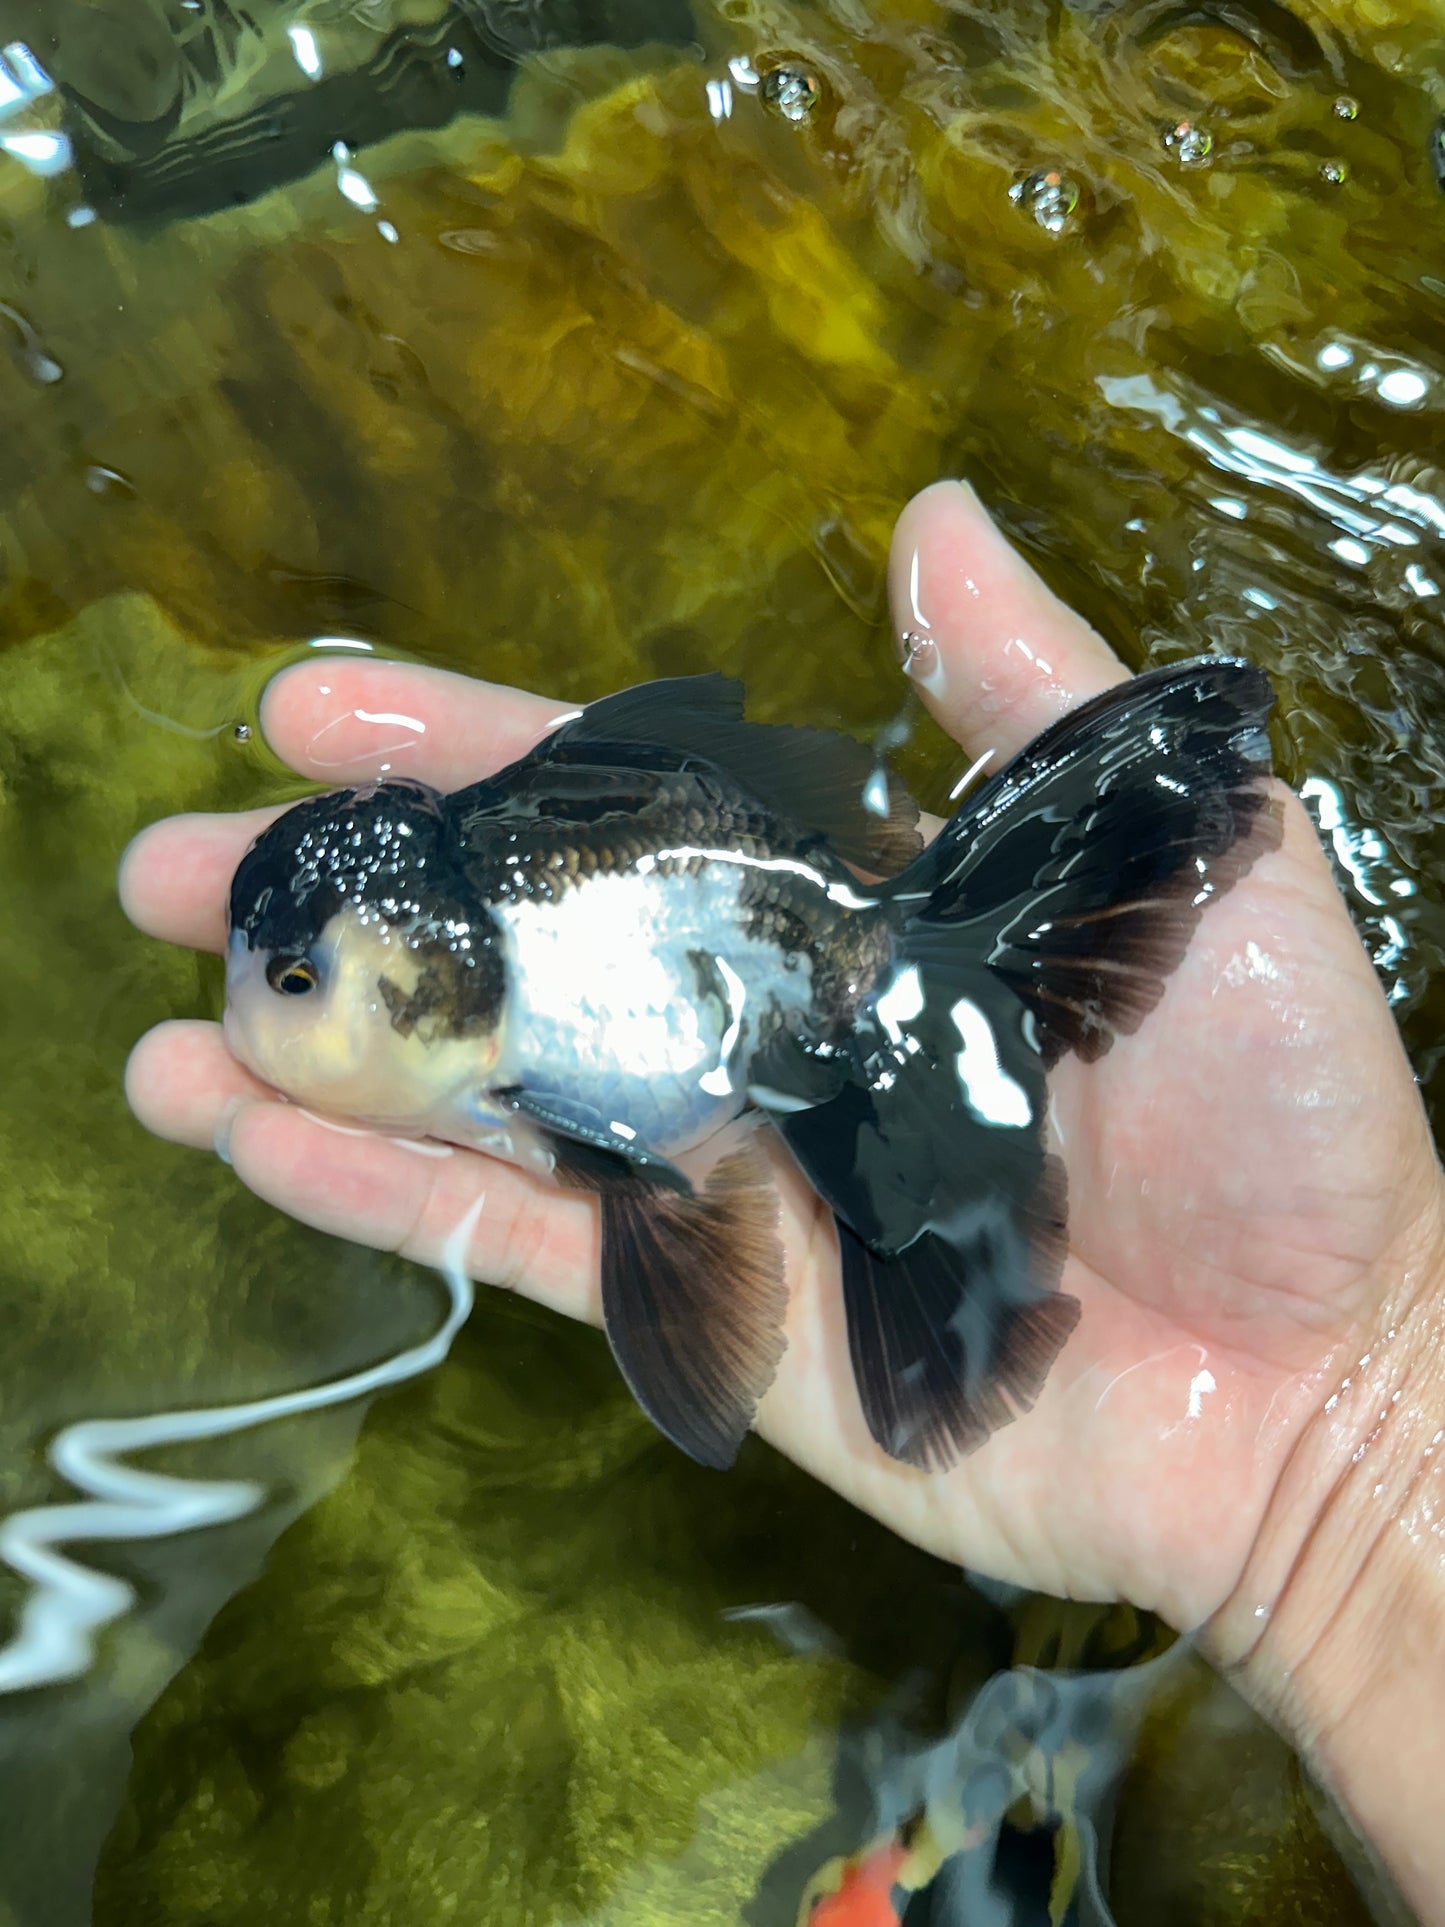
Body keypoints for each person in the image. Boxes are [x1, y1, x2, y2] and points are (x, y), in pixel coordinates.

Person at [120, 481, 1445, 1919]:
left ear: (413, 980)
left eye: (299, 981)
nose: (267, 1011)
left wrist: (1357, 1453)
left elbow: (658, 1202)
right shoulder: (505, 1006)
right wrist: (1345, 1495)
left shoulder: (534, 1030)